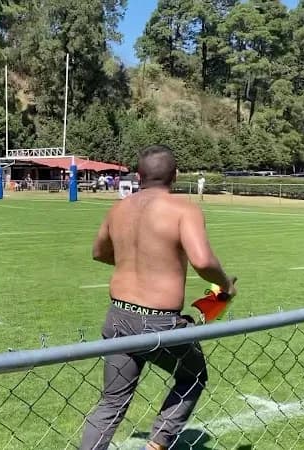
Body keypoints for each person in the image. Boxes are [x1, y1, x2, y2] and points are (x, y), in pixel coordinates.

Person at [80, 145, 237, 450]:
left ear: (138, 176)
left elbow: (99, 252)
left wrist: (132, 261)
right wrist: (225, 286)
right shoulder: (183, 209)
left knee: (112, 402)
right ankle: (158, 443)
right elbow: (203, 261)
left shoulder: (119, 208)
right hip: (160, 323)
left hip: (118, 318)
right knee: (193, 376)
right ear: (175, 176)